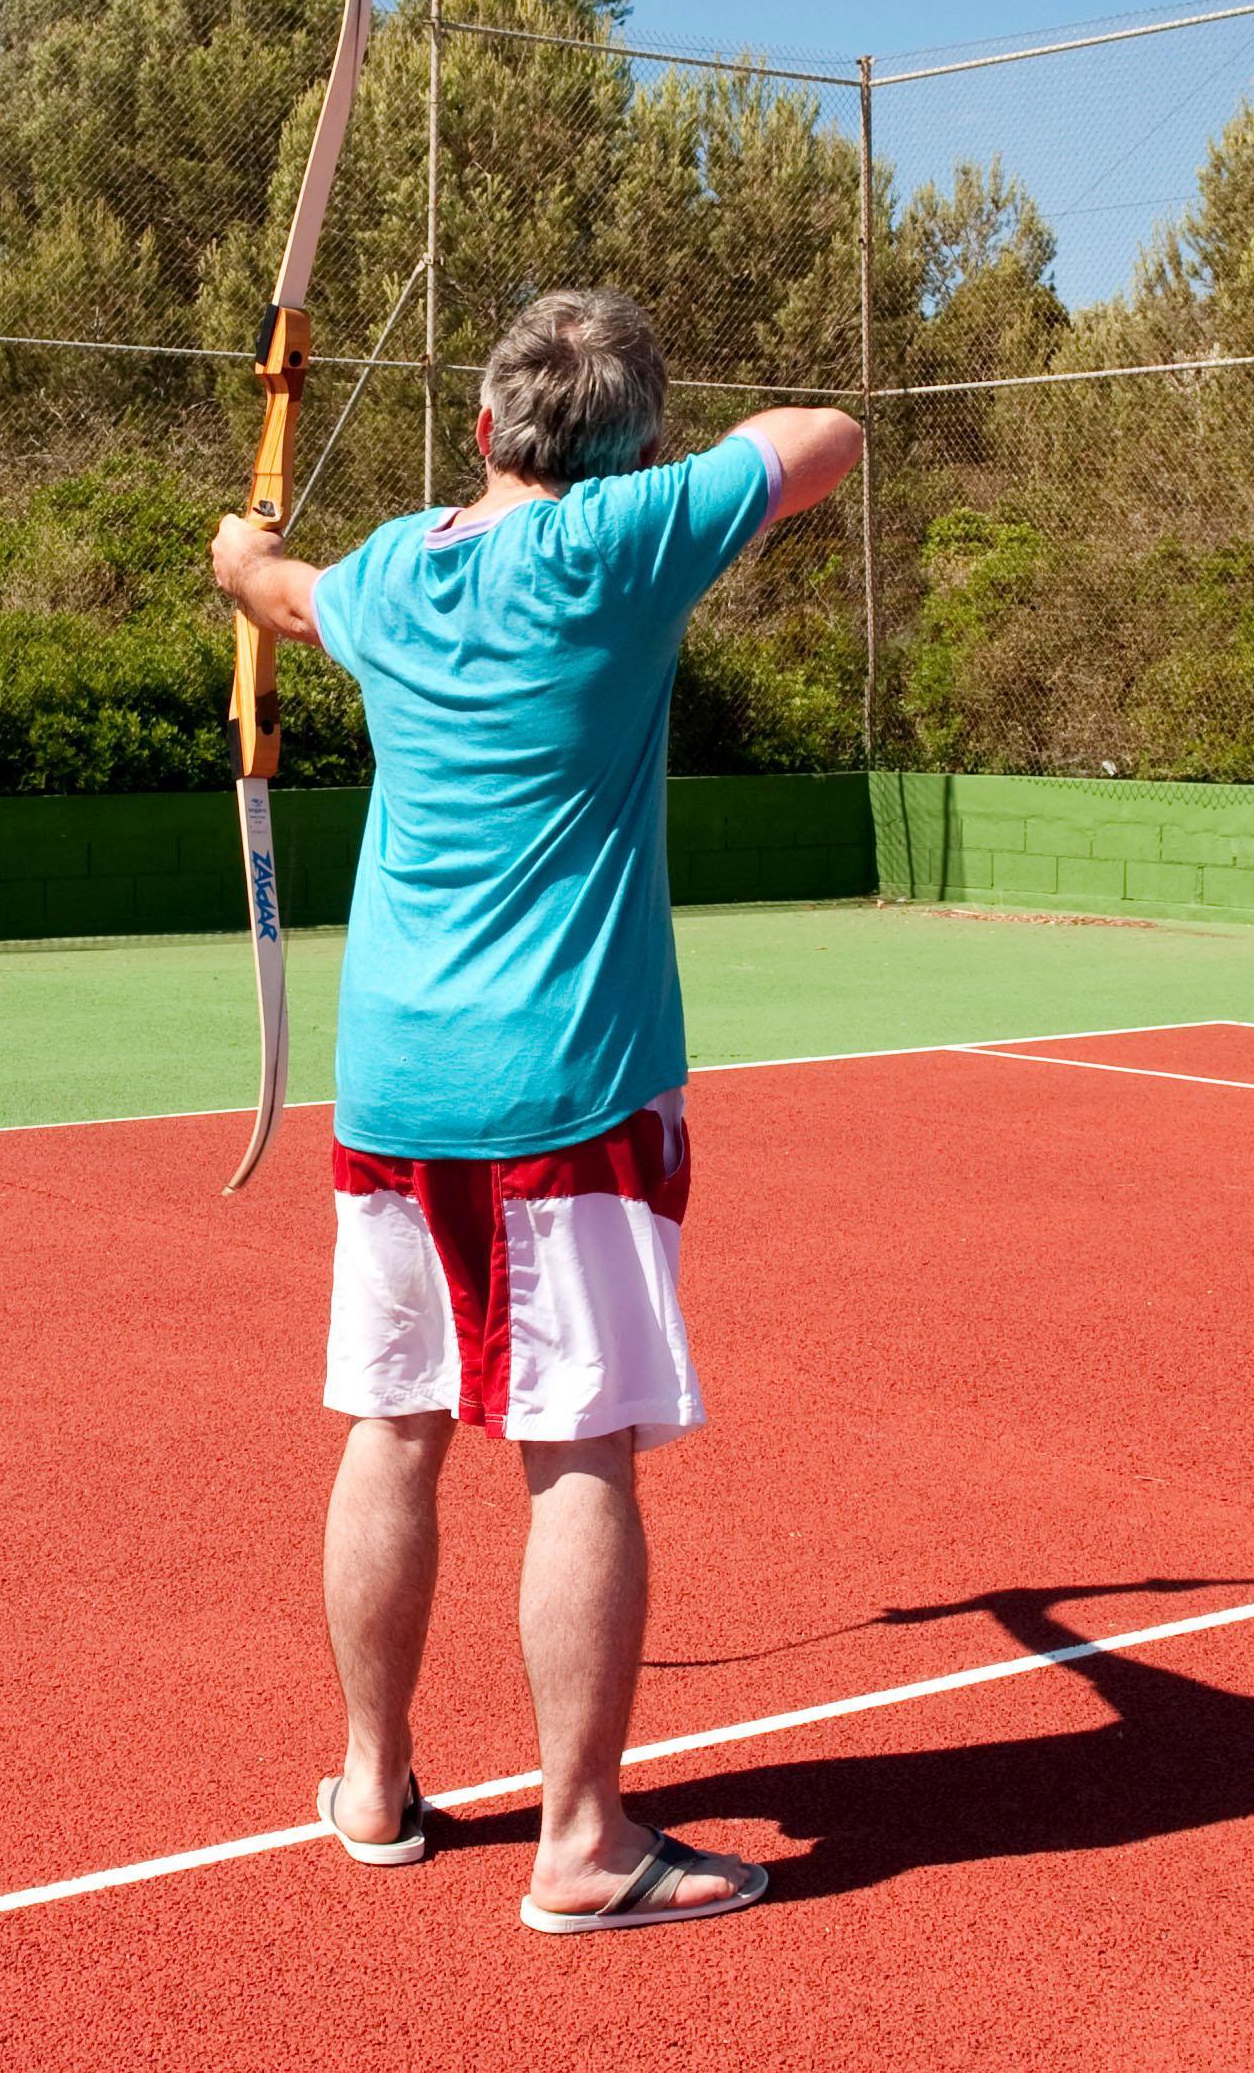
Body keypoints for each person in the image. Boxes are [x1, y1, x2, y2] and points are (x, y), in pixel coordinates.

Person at [208, 287, 861, 1931]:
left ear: (487, 431)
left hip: (400, 1080)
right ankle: (582, 1846)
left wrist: (240, 560)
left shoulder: (388, 577)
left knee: (395, 1429)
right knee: (580, 1457)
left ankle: (373, 1781)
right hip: (565, 1086)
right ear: (632, 448)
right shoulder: (626, 544)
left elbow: (273, 590)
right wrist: (660, 477)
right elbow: (825, 440)